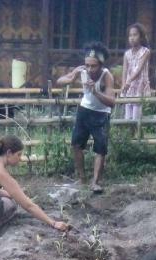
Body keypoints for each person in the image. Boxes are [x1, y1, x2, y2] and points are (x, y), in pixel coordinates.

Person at [56, 43, 115, 193]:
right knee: (76, 144)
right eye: (87, 65)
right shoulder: (81, 70)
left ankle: (95, 182)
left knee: (100, 148)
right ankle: (82, 179)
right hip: (84, 110)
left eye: (93, 66)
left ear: (101, 65)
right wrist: (72, 78)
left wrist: (96, 92)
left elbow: (112, 102)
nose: (89, 69)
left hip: (101, 114)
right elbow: (60, 81)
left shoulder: (106, 76)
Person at [121, 23, 151, 122]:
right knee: (127, 115)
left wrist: (129, 81)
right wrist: (123, 84)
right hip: (128, 87)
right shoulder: (127, 54)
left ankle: (136, 135)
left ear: (141, 37)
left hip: (139, 86)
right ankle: (128, 135)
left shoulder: (145, 51)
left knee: (136, 116)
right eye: (130, 35)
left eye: (135, 35)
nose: (132, 38)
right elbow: (125, 70)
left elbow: (139, 69)